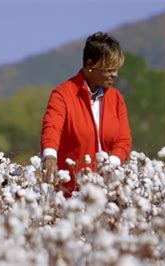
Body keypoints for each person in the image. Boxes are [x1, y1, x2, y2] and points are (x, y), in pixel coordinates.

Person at [40, 32, 132, 197]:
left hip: (109, 193)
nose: (115, 74)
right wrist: (50, 157)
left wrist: (109, 165)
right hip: (70, 195)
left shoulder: (116, 98)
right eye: (109, 69)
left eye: (117, 69)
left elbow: (124, 141)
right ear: (90, 64)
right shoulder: (62, 95)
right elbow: (52, 127)